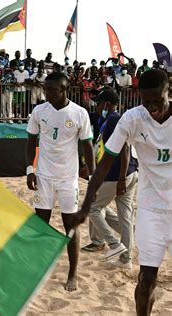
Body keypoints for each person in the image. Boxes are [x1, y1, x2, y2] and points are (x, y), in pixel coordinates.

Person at [73, 69, 171, 315]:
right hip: (151, 210)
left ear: (169, 92)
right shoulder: (133, 119)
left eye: (157, 100)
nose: (151, 107)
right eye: (145, 101)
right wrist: (86, 206)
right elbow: (106, 162)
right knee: (146, 278)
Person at [25, 72, 95, 292]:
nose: (46, 93)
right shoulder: (39, 111)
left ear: (64, 90)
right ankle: (37, 270)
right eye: (45, 89)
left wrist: (91, 176)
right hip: (43, 177)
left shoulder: (79, 113)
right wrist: (30, 169)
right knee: (40, 225)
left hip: (68, 179)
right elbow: (30, 141)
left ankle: (72, 274)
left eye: (51, 90)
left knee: (70, 227)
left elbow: (87, 146)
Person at [84, 88, 139, 268]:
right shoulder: (110, 119)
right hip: (129, 174)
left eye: (98, 103)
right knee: (124, 217)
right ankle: (126, 260)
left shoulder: (114, 120)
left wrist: (121, 179)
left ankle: (115, 245)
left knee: (92, 207)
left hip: (118, 176)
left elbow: (124, 150)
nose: (96, 106)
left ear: (106, 104)